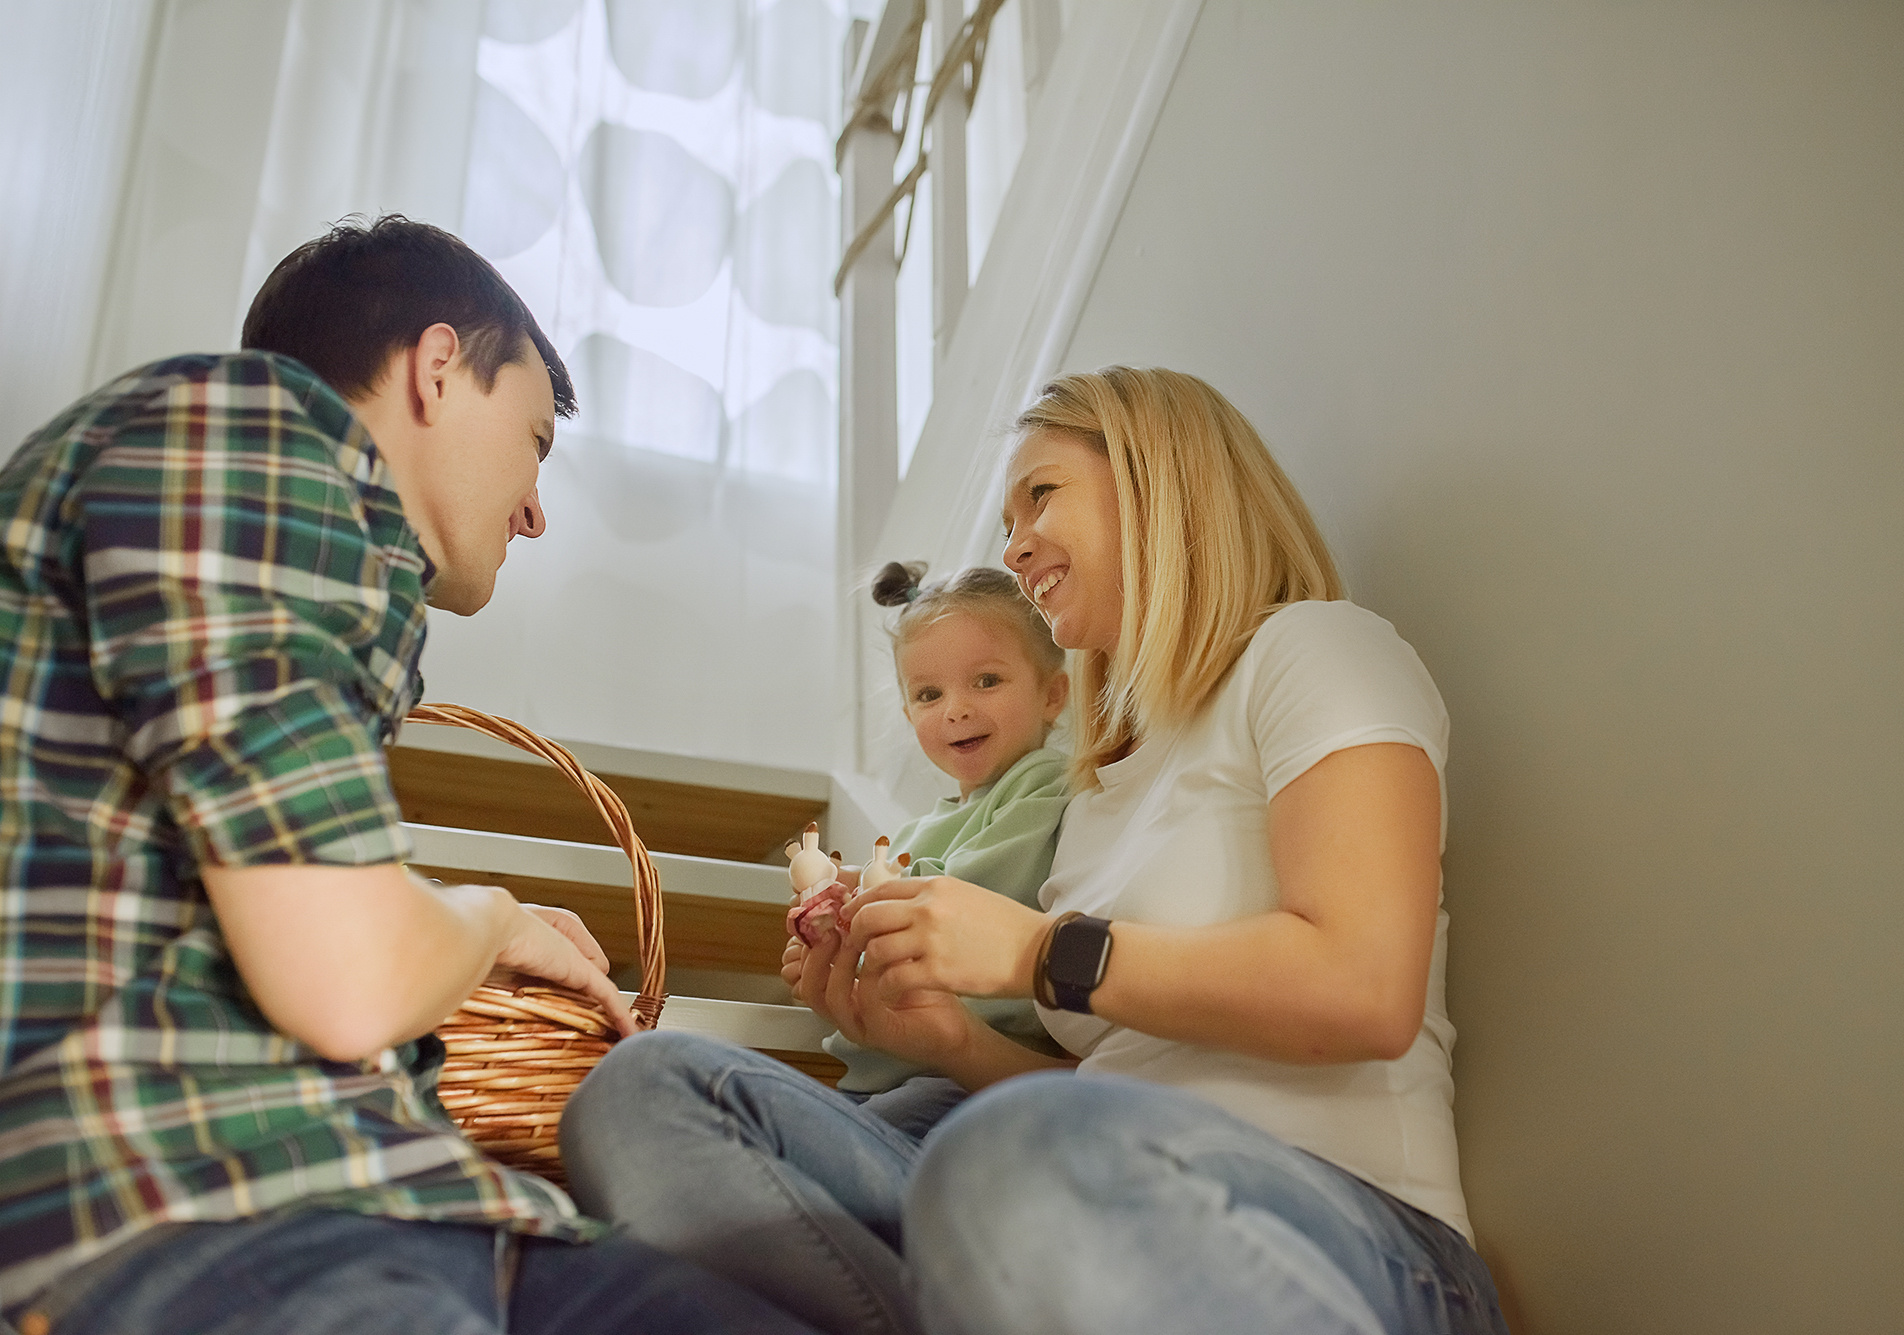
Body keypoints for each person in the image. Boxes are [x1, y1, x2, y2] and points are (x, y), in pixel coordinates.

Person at [564, 364, 1509, 1335]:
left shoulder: (1312, 649)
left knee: (1002, 1153)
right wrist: (943, 1039)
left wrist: (1035, 952)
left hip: (1351, 1233)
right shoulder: (1097, 786)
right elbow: (1096, 1093)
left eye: (1039, 496)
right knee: (649, 1091)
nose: (1013, 548)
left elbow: (1363, 984)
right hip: (1071, 1198)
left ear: (1156, 479)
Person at [0, 216, 812, 1335]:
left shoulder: (314, 551)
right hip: (199, 1208)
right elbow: (347, 977)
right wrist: (486, 918)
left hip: (399, 1207)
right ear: (437, 370)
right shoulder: (245, 436)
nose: (535, 507)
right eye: (532, 440)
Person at [798, 560, 1073, 1138]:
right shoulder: (918, 832)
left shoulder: (1043, 781)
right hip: (884, 1070)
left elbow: (973, 896)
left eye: (987, 681)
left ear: (1053, 694)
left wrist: (858, 895)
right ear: (908, 713)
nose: (955, 709)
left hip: (966, 1075)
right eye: (928, 694)